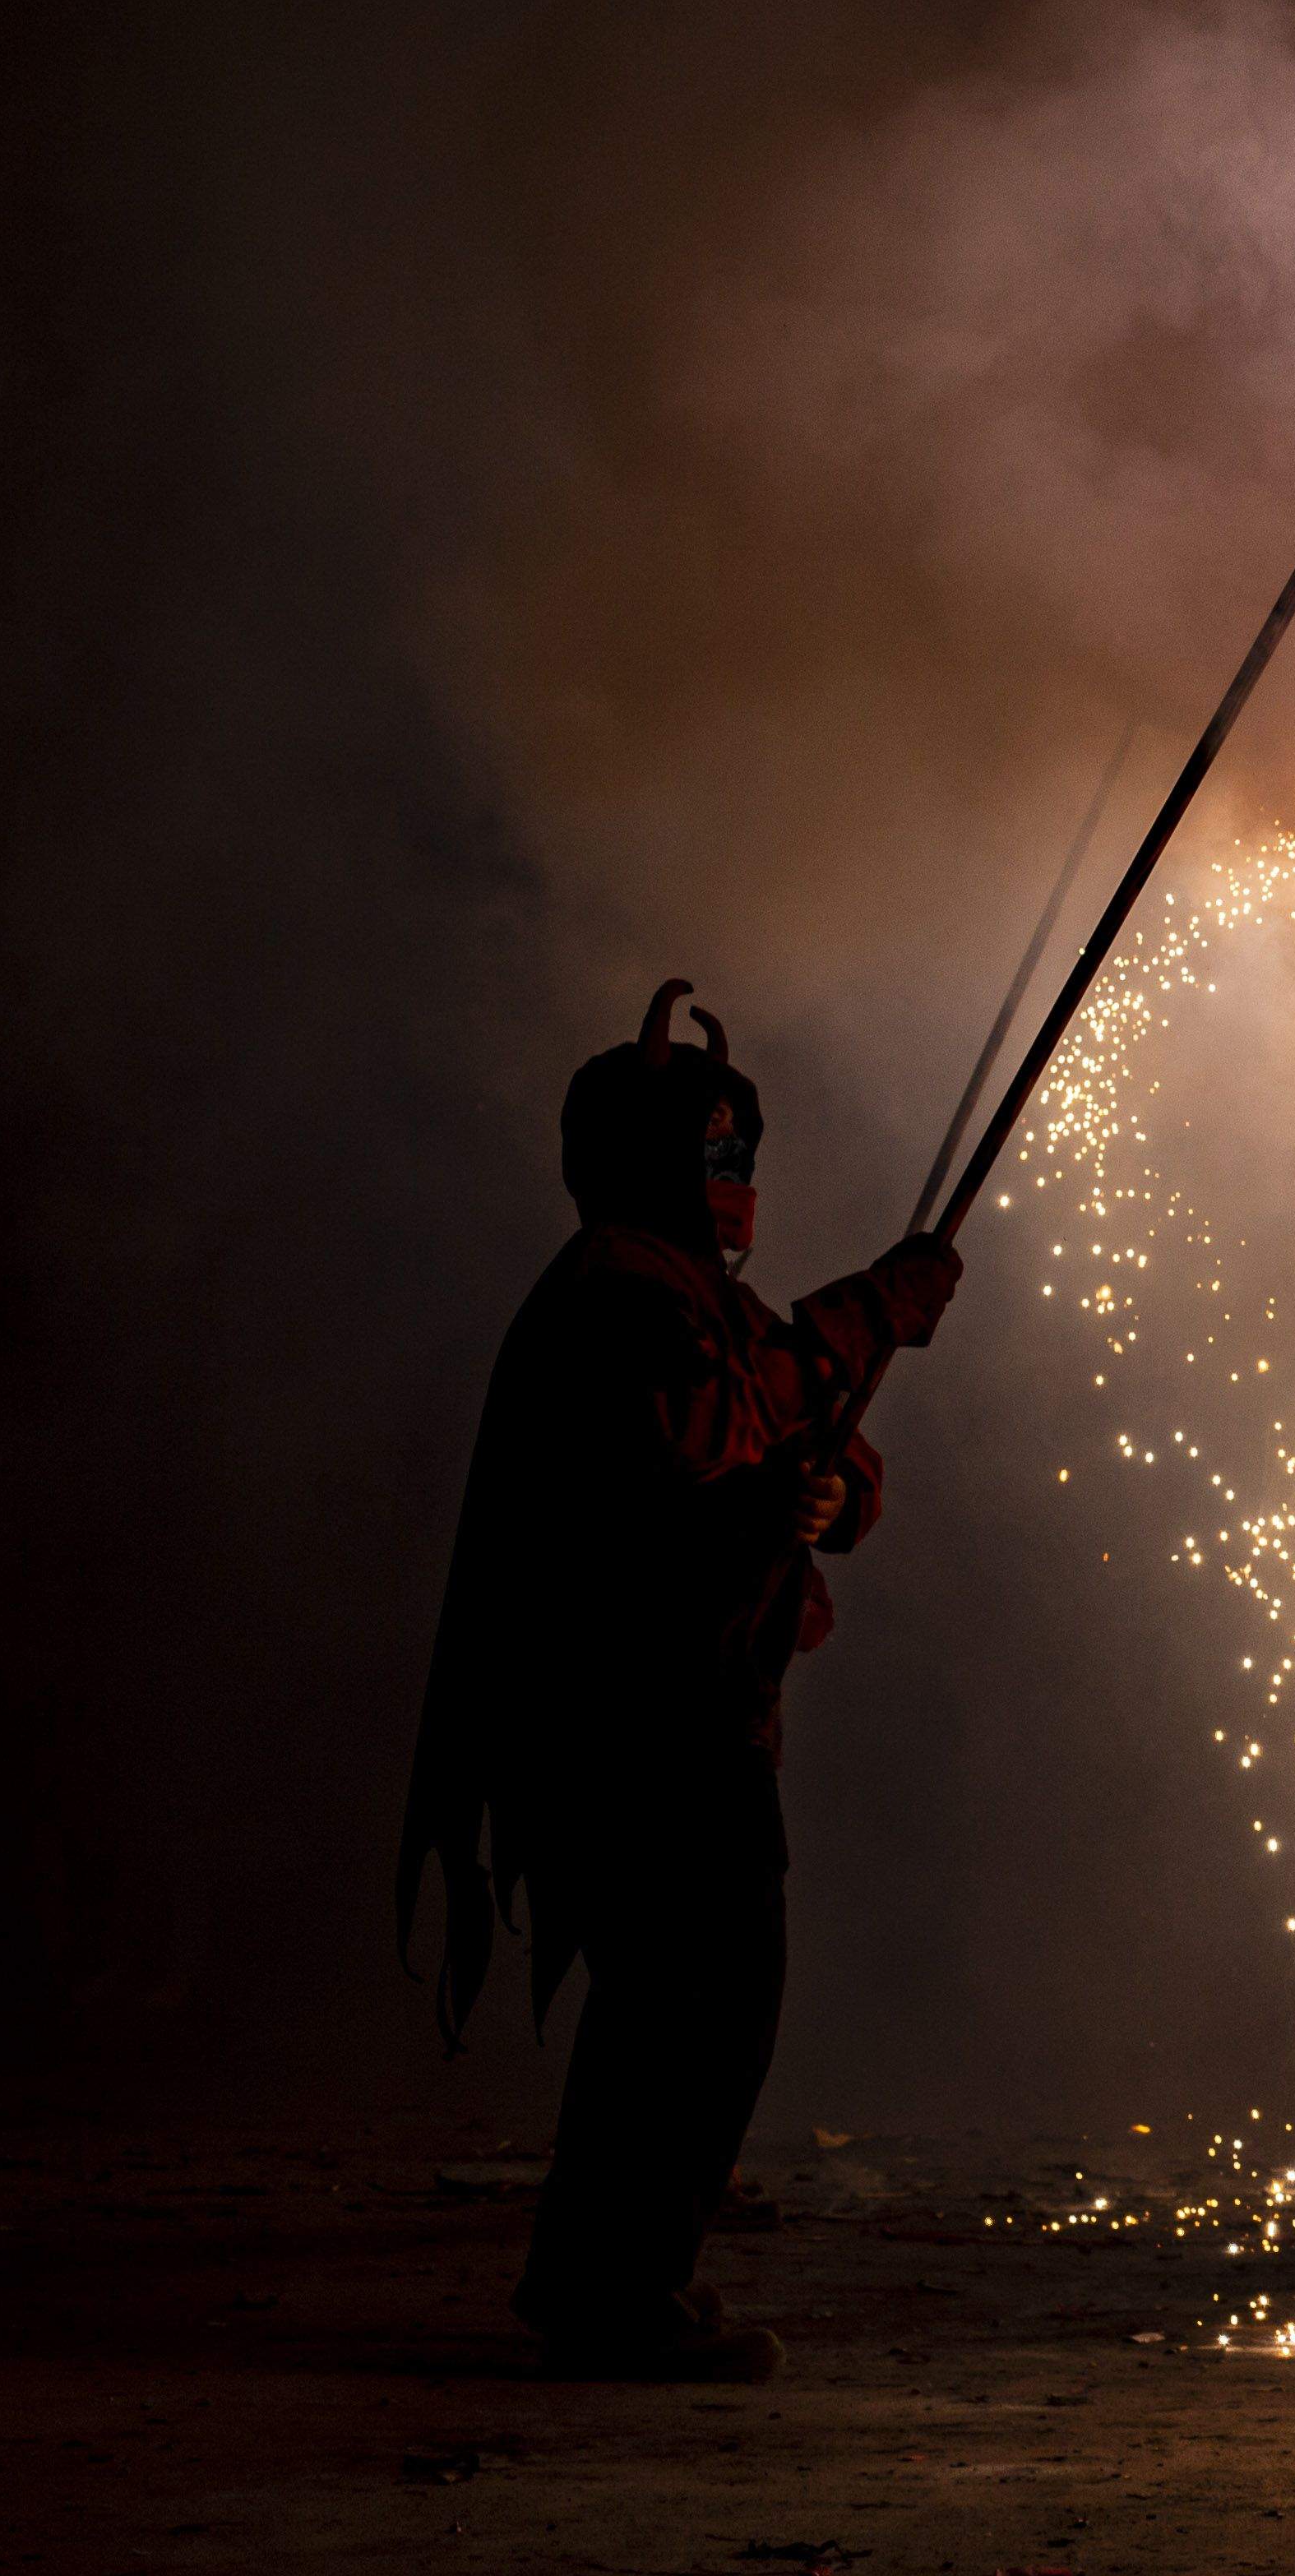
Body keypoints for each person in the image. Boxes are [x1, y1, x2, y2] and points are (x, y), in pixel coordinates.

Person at [399, 982, 960, 2380]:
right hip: (637, 1720)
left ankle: (609, 2278)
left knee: (692, 2000)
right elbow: (688, 1489)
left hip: (699, 1716)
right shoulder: (618, 1293)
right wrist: (857, 1342)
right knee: (690, 2008)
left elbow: (795, 1429)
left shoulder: (690, 1289)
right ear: (649, 1160)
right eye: (717, 1159)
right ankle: (610, 2298)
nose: (739, 1187)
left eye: (743, 1161)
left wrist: (831, 1472)